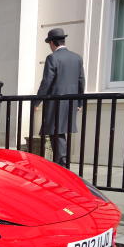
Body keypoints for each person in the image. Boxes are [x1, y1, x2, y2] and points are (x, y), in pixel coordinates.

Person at [34, 28, 85, 167]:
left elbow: (46, 82)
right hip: (71, 102)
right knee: (60, 134)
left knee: (56, 133)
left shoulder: (53, 58)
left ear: (52, 43)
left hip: (56, 103)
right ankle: (62, 163)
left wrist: (37, 101)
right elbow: (81, 80)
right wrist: (80, 102)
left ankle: (61, 165)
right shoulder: (77, 57)